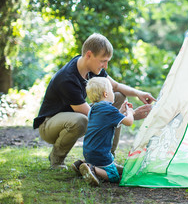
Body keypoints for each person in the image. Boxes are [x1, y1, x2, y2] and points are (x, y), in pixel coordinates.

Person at [33, 33, 156, 169]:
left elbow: (115, 86)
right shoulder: (67, 79)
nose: (106, 66)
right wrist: (128, 116)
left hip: (74, 116)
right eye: (103, 61)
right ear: (89, 55)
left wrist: (139, 93)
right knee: (81, 121)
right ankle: (56, 159)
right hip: (50, 125)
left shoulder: (92, 69)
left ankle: (107, 159)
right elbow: (93, 116)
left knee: (119, 97)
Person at [75, 77, 134, 186]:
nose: (113, 93)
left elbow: (111, 119)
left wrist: (121, 111)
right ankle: (92, 169)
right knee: (114, 175)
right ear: (106, 94)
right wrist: (130, 112)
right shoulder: (109, 110)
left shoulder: (93, 108)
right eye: (112, 90)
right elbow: (129, 122)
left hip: (89, 151)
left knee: (109, 163)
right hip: (101, 154)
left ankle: (83, 164)